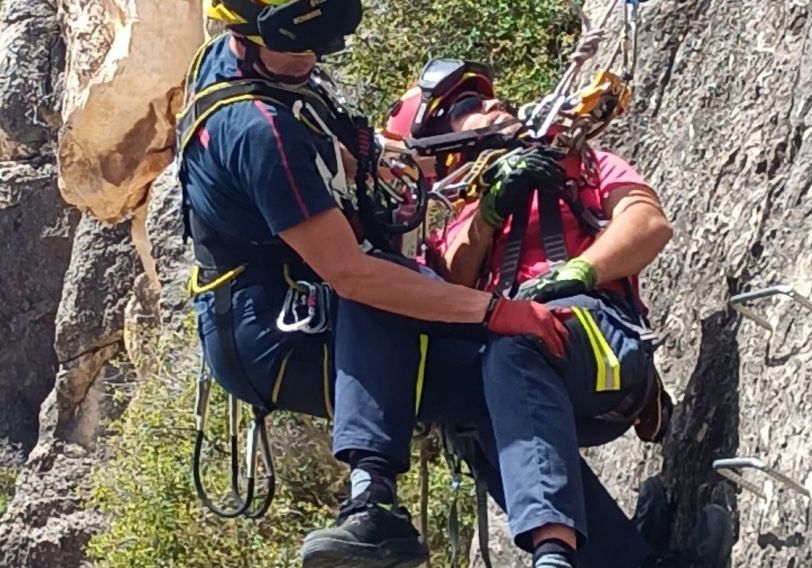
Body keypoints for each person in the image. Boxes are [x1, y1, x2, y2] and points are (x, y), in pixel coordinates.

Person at [177, 3, 570, 566]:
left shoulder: (237, 64)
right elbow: (352, 274)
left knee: (496, 374)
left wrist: (372, 155)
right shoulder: (258, 131)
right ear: (248, 34)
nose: (310, 59)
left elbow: (310, 126)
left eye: (320, 46)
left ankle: (610, 552)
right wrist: (493, 311)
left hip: (285, 304)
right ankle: (372, 506)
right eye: (299, 48)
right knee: (490, 356)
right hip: (272, 332)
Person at [302, 59, 675, 568]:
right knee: (475, 399)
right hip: (528, 372)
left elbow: (647, 222)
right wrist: (488, 213)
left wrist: (579, 273)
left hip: (602, 345)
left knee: (516, 347)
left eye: (487, 99)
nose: (493, 105)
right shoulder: (452, 233)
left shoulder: (581, 165)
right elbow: (445, 289)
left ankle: (553, 558)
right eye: (467, 107)